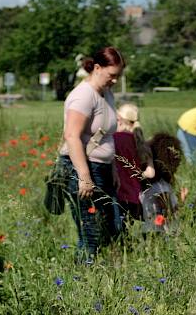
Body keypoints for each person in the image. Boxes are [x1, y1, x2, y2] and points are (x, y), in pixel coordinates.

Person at [59, 46, 125, 263]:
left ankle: (106, 268)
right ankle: (82, 276)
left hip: (103, 168)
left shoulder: (106, 94)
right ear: (97, 68)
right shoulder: (83, 96)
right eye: (112, 75)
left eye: (118, 76)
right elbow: (71, 136)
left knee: (113, 223)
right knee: (91, 230)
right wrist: (84, 178)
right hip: (83, 168)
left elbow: (105, 135)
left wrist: (113, 167)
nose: (115, 80)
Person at [113, 103, 155, 226]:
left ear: (119, 119)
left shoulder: (114, 139)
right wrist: (134, 173)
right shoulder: (141, 143)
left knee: (117, 230)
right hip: (134, 195)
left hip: (117, 193)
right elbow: (151, 173)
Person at [139, 133, 184, 233]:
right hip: (161, 233)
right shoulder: (161, 187)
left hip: (149, 231)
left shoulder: (148, 185)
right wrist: (181, 201)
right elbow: (167, 212)